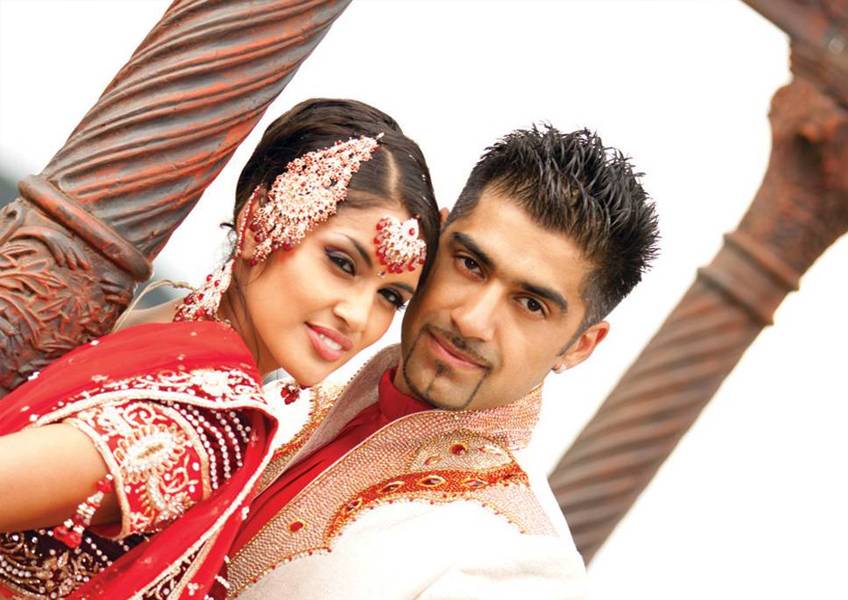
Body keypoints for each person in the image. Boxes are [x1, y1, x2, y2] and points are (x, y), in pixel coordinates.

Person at [0, 98, 440, 599]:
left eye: (390, 297)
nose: (358, 316)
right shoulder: (214, 421)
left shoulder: (146, 324)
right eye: (342, 263)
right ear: (257, 225)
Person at [220, 126, 659, 599]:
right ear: (434, 241)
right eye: (470, 264)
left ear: (580, 346)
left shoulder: (519, 569)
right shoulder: (280, 399)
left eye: (531, 304)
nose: (472, 320)